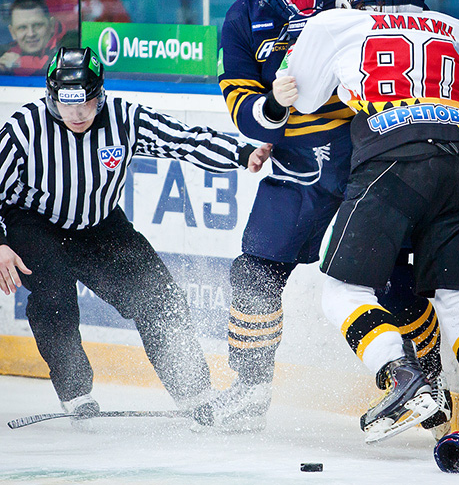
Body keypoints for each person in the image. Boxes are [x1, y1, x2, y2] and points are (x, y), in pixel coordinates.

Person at [215, 0, 449, 434]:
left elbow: (407, 13)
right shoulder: (244, 17)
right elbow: (242, 108)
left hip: (368, 158)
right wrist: (272, 109)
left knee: (396, 281)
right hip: (298, 170)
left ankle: (430, 385)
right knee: (254, 273)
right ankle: (250, 389)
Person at [0, 46, 271, 424]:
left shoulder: (124, 118)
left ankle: (195, 392)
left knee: (159, 297)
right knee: (54, 296)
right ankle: (75, 392)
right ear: (52, 96)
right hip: (35, 224)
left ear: (100, 94)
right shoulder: (24, 127)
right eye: (66, 104)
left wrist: (242, 153)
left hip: (101, 225)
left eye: (85, 103)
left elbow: (183, 139)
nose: (76, 115)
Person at [284, 0, 459, 442]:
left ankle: (403, 378)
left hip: (393, 160)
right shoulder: (455, 27)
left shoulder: (335, 22)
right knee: (458, 298)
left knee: (343, 292)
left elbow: (304, 99)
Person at [0, 0, 74, 76]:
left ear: (52, 25)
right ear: (12, 32)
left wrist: (19, 63)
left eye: (37, 25)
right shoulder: (4, 52)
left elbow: (56, 67)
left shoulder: (69, 45)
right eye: (22, 28)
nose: (31, 34)